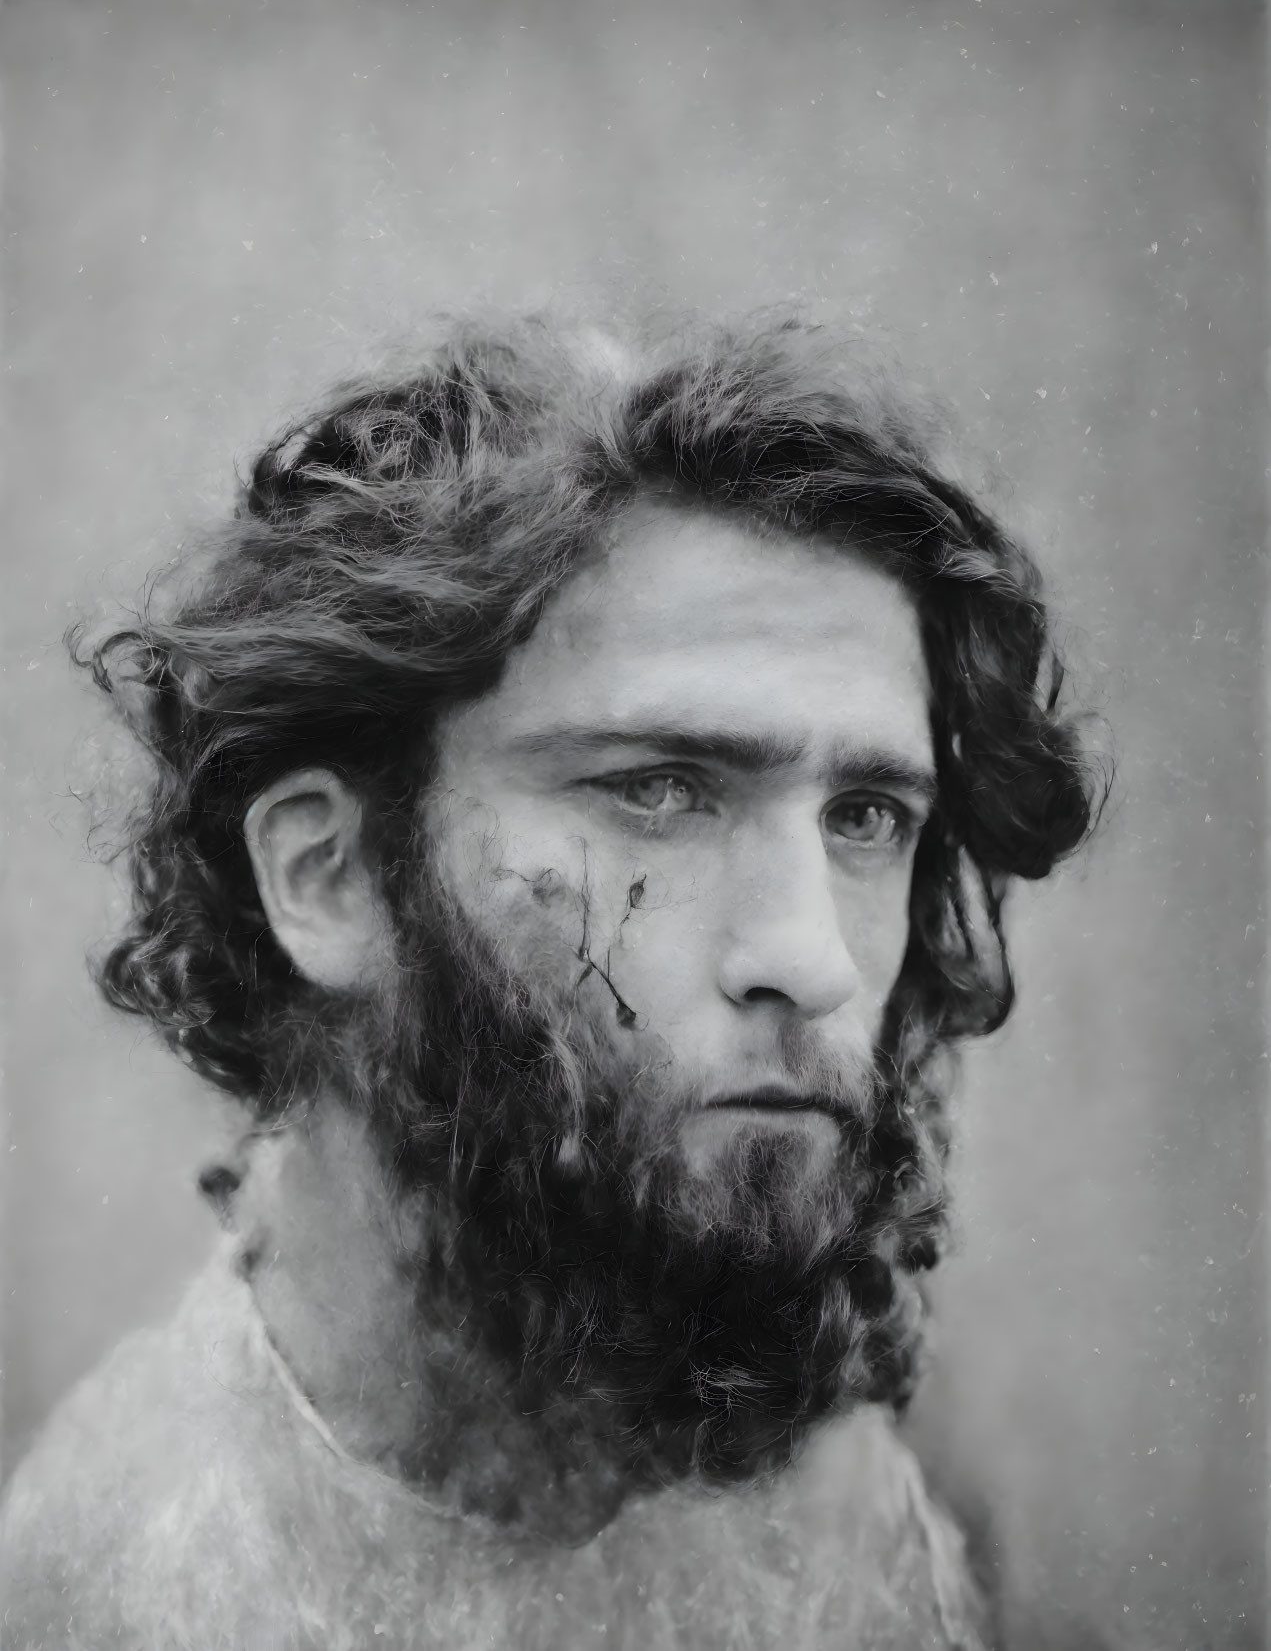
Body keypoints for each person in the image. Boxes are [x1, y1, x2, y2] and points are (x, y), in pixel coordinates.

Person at [1, 313, 1098, 1650]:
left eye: (865, 816)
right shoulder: (108, 1593)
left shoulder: (856, 1504)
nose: (811, 959)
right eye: (659, 791)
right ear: (330, 876)